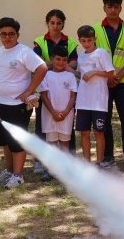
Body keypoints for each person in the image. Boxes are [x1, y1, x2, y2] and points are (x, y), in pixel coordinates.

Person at [0, 17, 48, 189]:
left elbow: (42, 68)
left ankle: (18, 176)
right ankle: (9, 170)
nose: (7, 37)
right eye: (3, 34)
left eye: (11, 34)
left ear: (17, 34)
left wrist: (29, 91)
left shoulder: (24, 52)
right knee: (5, 140)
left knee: (16, 140)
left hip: (17, 106)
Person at [94, 0, 124, 170]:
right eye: (109, 6)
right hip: (102, 82)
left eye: (116, 6)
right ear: (104, 8)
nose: (113, 10)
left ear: (121, 8)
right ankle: (108, 156)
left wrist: (119, 75)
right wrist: (108, 77)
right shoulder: (95, 29)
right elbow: (91, 56)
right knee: (104, 118)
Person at [31, 9, 79, 160]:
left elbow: (74, 64)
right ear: (47, 23)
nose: (56, 26)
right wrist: (58, 65)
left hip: (63, 84)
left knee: (67, 127)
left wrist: (50, 65)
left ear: (63, 24)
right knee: (42, 124)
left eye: (59, 23)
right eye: (52, 23)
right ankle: (41, 160)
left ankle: (70, 159)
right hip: (45, 83)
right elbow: (36, 64)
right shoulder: (39, 41)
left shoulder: (70, 42)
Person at [74, 25, 115, 166]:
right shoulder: (80, 56)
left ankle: (99, 162)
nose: (86, 44)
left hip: (98, 101)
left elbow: (111, 73)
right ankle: (86, 162)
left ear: (95, 39)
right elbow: (81, 74)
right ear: (79, 40)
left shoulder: (101, 53)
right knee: (84, 132)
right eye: (83, 41)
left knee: (99, 132)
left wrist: (95, 72)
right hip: (83, 101)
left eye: (89, 40)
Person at [38, 45, 78, 176]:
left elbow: (73, 96)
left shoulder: (70, 76)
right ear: (51, 59)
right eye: (58, 59)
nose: (61, 62)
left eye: (64, 60)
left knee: (65, 143)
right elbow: (43, 95)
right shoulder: (46, 75)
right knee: (52, 143)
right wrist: (53, 112)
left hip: (66, 115)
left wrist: (66, 112)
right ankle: (51, 170)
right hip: (50, 115)